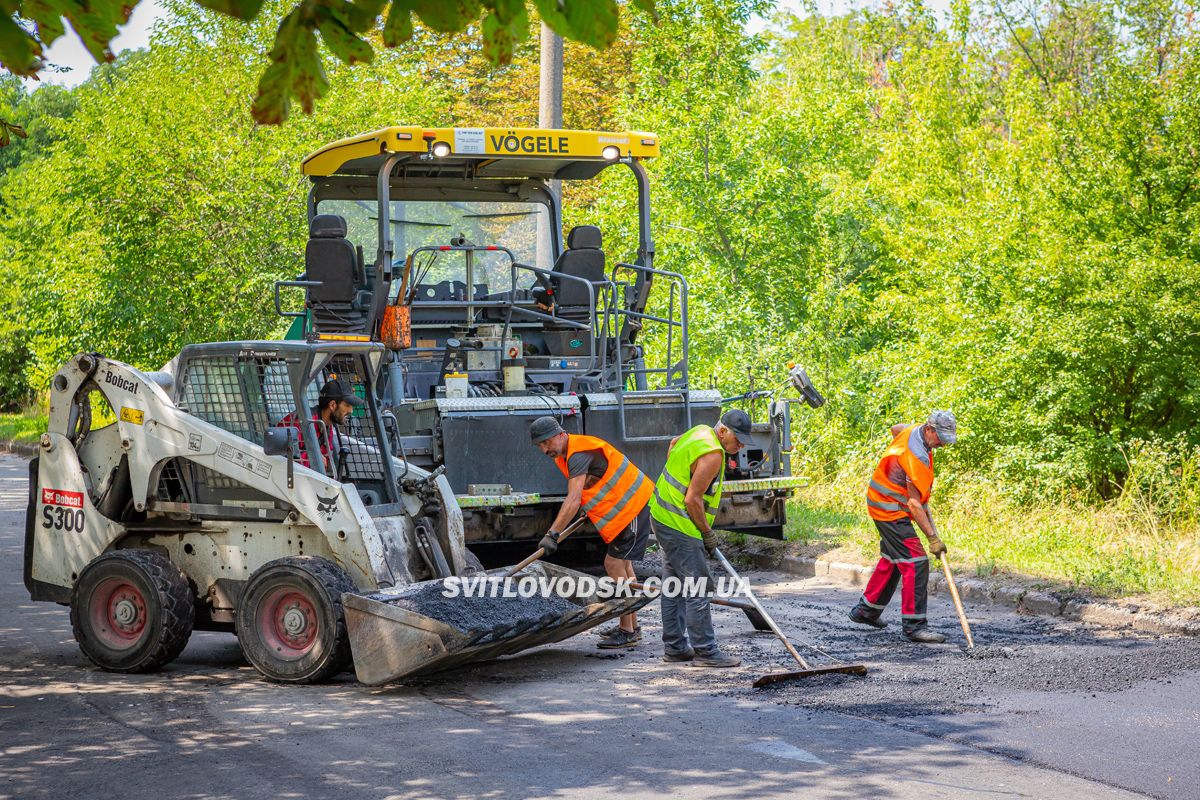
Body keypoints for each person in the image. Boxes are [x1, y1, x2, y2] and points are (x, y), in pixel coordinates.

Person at [530, 416, 655, 649]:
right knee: (624, 568)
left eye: (546, 442)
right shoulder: (569, 452)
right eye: (539, 445)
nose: (544, 449)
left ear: (560, 434)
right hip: (624, 510)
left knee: (614, 565)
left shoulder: (578, 453)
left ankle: (627, 631)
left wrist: (552, 534)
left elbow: (573, 498)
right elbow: (593, 483)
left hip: (633, 505)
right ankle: (632, 626)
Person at [648, 409, 756, 668]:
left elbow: (674, 443)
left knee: (673, 586)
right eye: (736, 438)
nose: (740, 445)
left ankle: (675, 648)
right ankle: (706, 651)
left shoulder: (699, 432)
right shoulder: (713, 455)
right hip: (679, 523)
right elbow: (692, 500)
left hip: (661, 515)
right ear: (722, 431)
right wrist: (707, 533)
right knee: (699, 587)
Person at [849, 410, 958, 643]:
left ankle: (865, 611)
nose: (942, 445)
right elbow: (915, 504)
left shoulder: (913, 431)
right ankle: (914, 626)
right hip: (889, 510)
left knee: (893, 559)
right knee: (916, 561)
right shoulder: (916, 455)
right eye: (940, 439)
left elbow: (896, 429)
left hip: (881, 501)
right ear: (929, 430)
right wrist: (932, 538)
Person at [278, 378, 364, 474]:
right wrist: (315, 458)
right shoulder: (301, 422)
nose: (351, 411)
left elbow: (326, 459)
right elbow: (281, 460)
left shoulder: (327, 426)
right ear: (332, 405)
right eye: (347, 405)